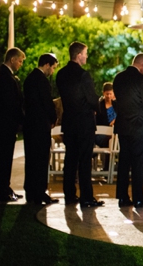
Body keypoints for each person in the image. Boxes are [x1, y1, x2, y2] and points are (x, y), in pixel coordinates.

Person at [56, 41, 104, 208]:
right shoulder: (84, 75)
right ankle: (86, 197)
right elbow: (92, 99)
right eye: (85, 53)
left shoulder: (60, 75)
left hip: (69, 122)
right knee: (85, 161)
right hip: (84, 123)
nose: (87, 56)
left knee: (70, 159)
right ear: (78, 56)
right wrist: (96, 109)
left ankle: (69, 195)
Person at [113, 53, 143, 208]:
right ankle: (138, 197)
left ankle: (123, 197)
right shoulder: (142, 80)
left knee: (124, 162)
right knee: (138, 163)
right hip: (139, 127)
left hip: (123, 126)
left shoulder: (118, 78)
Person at [23, 53, 59, 205]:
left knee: (31, 159)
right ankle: (39, 192)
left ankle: (30, 192)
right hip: (41, 125)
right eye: (53, 68)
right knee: (41, 158)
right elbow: (47, 103)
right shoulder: (42, 81)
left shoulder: (29, 79)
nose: (52, 71)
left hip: (29, 125)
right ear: (46, 65)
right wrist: (53, 118)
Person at [0, 47, 25, 202]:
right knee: (3, 160)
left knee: (5, 159)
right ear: (12, 59)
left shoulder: (3, 75)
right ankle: (1, 190)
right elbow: (10, 103)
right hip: (4, 126)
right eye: (19, 61)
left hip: (4, 126)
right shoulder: (4, 77)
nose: (20, 64)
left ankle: (5, 187)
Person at [95, 82, 116, 150]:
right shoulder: (99, 106)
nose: (109, 96)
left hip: (115, 132)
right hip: (102, 133)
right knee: (110, 140)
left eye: (110, 94)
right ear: (103, 93)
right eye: (107, 94)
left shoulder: (117, 105)